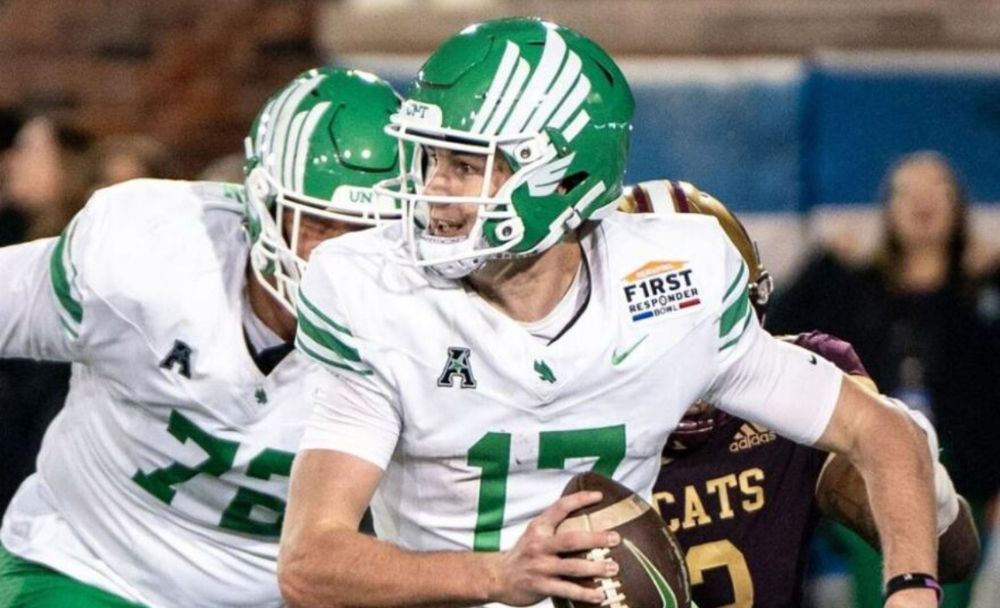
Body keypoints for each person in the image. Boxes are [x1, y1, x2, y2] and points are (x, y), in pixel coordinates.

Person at [279, 18, 940, 608]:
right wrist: (498, 577)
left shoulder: (672, 283)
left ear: (566, 178)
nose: (433, 191)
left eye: (465, 165)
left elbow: (883, 432)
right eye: (429, 159)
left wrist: (912, 586)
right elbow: (309, 563)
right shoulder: (377, 289)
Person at [0, 66, 402, 608]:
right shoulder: (149, 253)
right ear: (262, 205)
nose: (336, 253)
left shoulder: (424, 322)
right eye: (317, 222)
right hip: (90, 567)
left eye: (367, 228)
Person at [620, 179, 980, 608]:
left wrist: (919, 485)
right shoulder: (567, 416)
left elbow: (956, 553)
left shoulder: (792, 379)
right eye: (654, 334)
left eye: (709, 323)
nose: (687, 357)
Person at [769, 151, 1000, 608]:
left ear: (958, 205)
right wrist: (823, 265)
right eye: (908, 191)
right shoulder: (855, 287)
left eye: (937, 189)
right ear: (887, 208)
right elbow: (772, 336)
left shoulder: (983, 294)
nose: (922, 201)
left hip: (964, 480)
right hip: (867, 470)